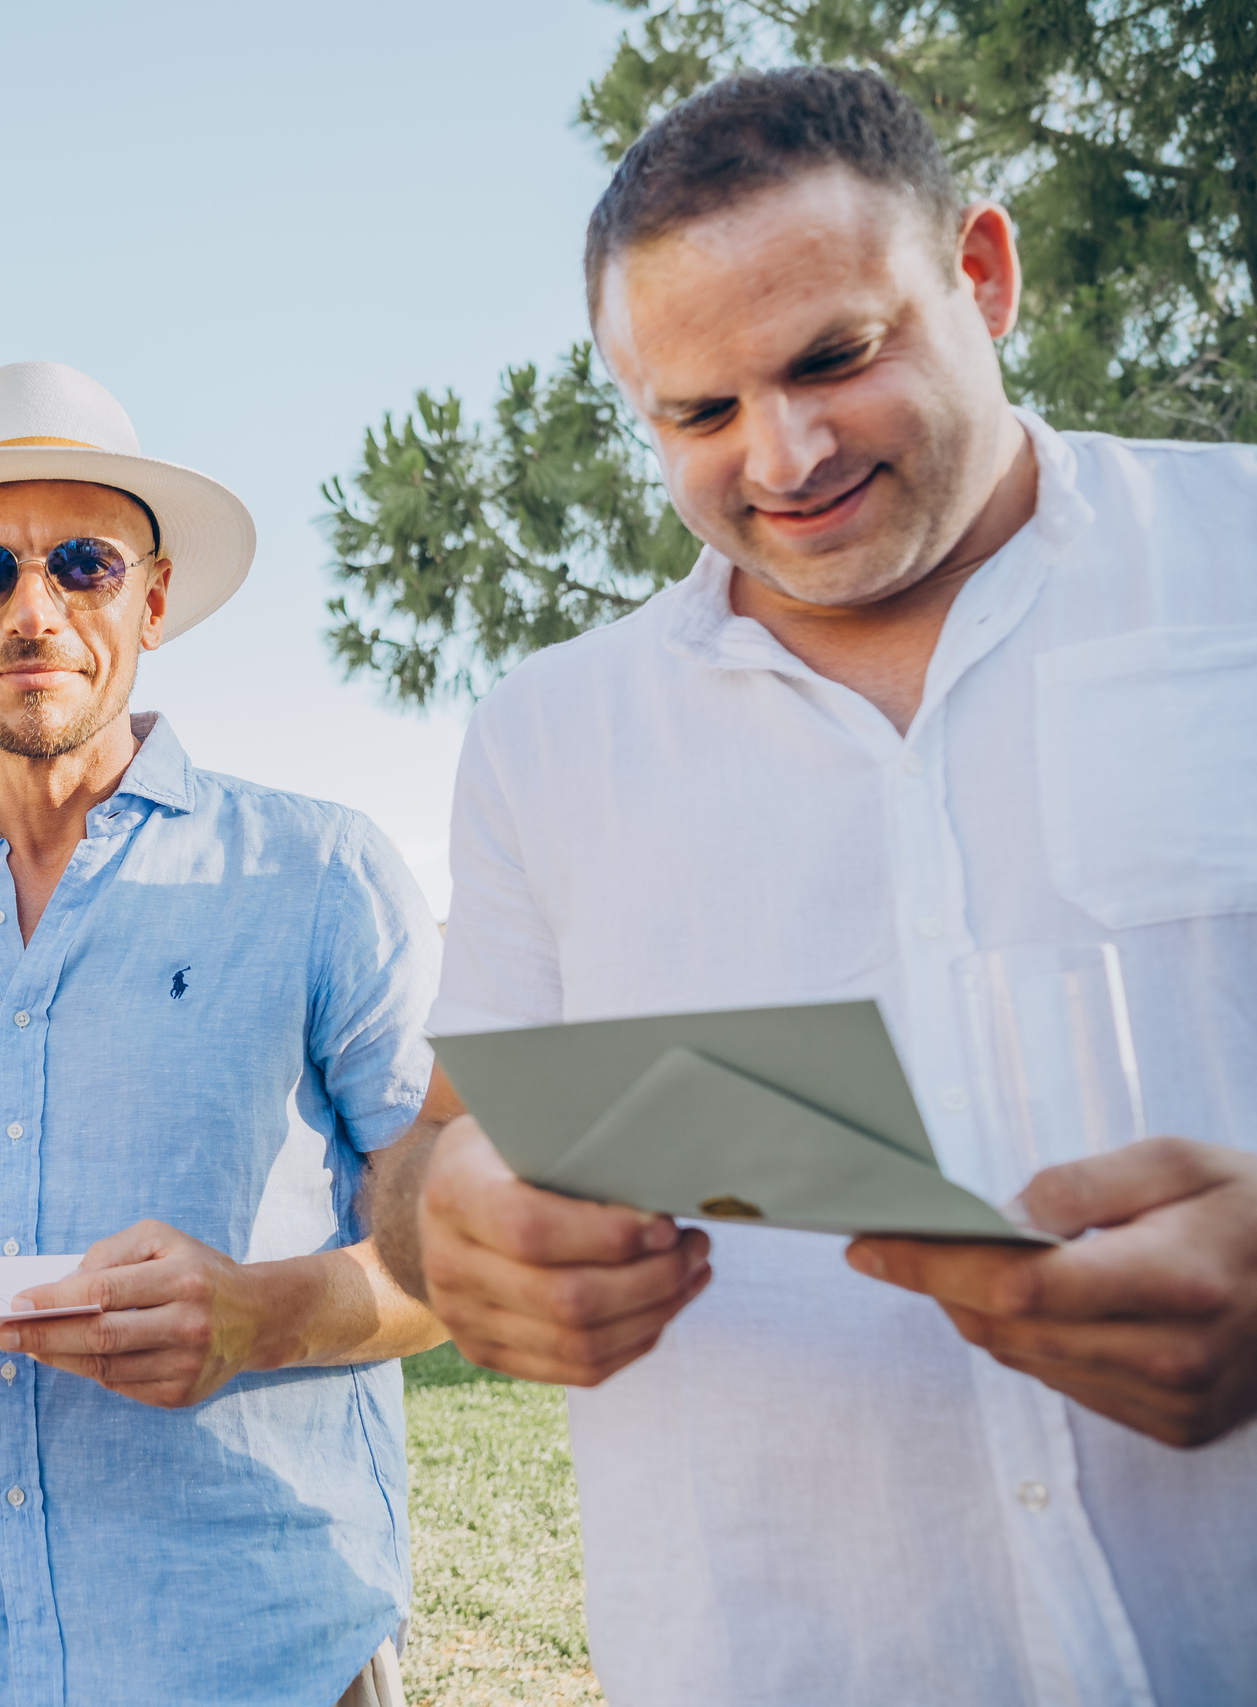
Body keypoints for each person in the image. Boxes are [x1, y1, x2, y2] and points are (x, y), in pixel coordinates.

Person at [372, 68, 1257, 1705]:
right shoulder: (544, 739)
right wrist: (457, 1231)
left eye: (834, 358)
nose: (781, 456)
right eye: (696, 415)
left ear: (983, 275)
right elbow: (432, 1148)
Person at [0, 361, 449, 1707]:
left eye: (82, 563)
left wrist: (260, 1314)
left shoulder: (322, 873)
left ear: (152, 596)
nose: (35, 611)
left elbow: (466, 1253)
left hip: (256, 1661)